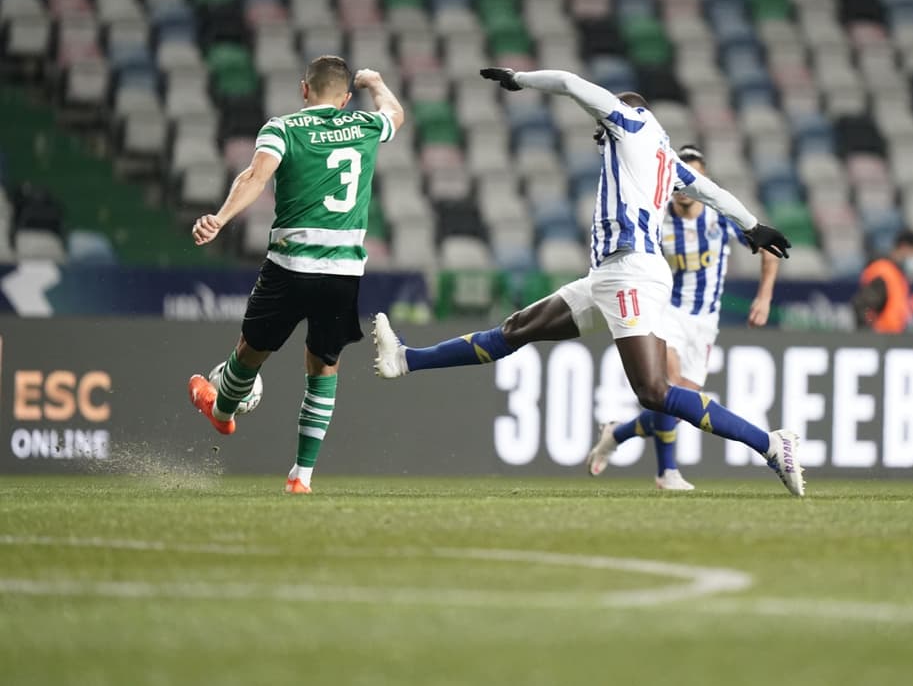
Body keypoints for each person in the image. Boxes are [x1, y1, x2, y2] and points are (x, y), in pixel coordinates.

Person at [372, 67, 806, 496]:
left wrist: (519, 79)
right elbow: (711, 192)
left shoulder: (630, 124)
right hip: (609, 276)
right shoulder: (665, 156)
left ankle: (770, 445)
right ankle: (406, 359)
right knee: (514, 331)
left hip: (632, 273)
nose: (600, 135)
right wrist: (753, 225)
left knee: (655, 391)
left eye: (602, 128)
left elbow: (569, 83)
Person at [185, 56, 405, 494]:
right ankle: (300, 477)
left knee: (249, 352)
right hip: (343, 271)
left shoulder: (282, 128)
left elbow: (255, 177)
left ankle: (223, 412)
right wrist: (376, 82)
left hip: (290, 265)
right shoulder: (363, 125)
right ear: (344, 99)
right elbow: (395, 113)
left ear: (304, 90)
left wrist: (221, 217)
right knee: (324, 367)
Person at [584, 143, 779, 491]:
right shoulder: (657, 216)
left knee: (677, 405)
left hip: (704, 320)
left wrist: (764, 297)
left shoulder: (719, 217)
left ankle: (618, 433)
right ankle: (667, 472)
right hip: (665, 309)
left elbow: (767, 248)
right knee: (668, 386)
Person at [853, 229, 913, 333]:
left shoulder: (899, 276)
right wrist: (870, 331)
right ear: (904, 248)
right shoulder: (884, 272)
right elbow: (863, 306)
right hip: (885, 342)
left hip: (897, 342)